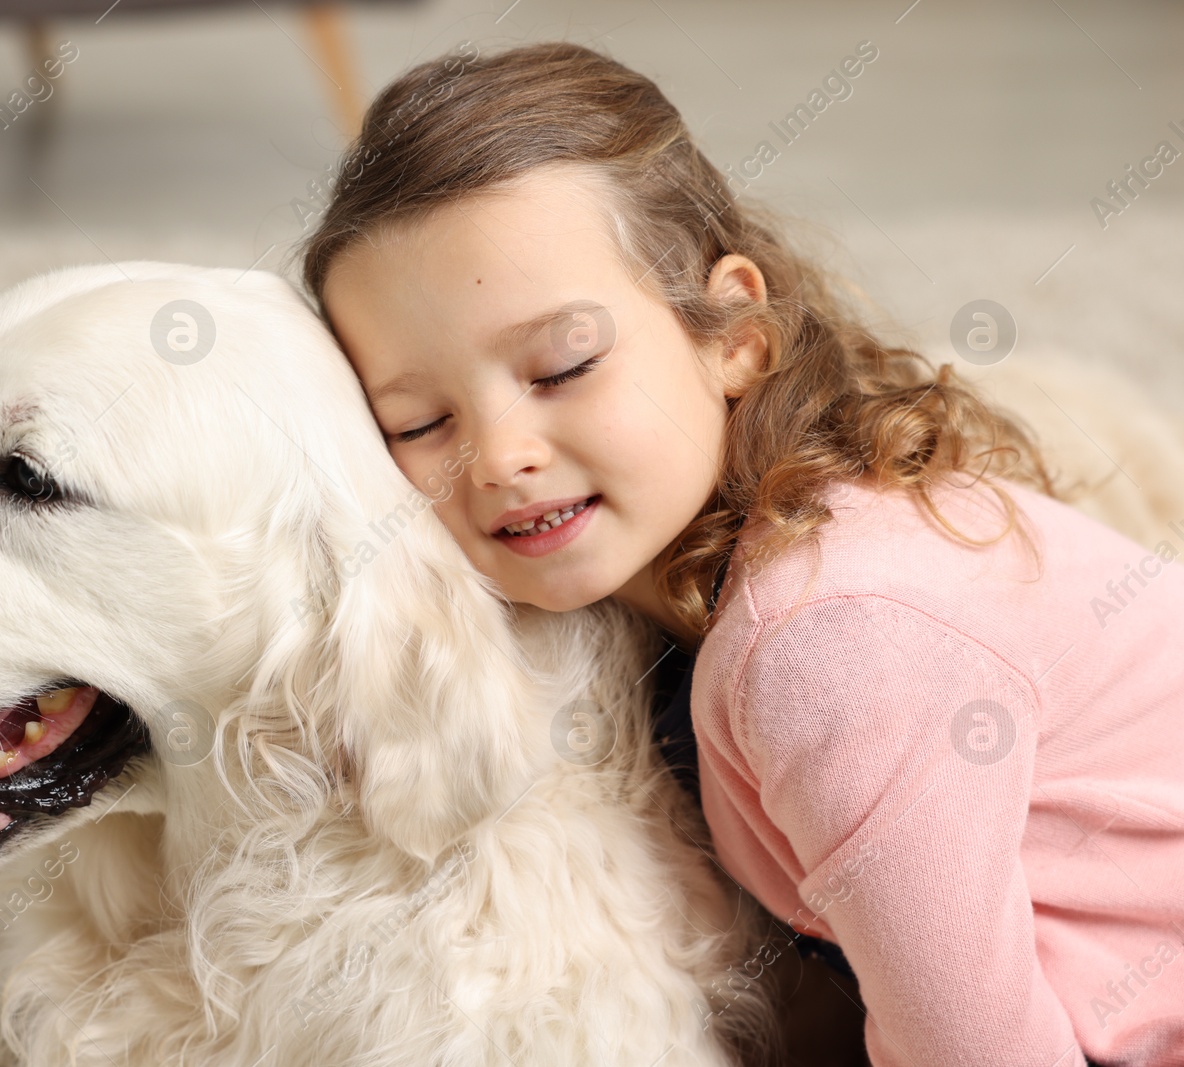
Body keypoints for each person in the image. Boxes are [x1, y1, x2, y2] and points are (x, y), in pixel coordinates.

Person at [299, 40, 1184, 1067]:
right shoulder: (745, 564)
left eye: (562, 365)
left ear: (733, 331)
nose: (499, 455)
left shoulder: (832, 637)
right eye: (418, 423)